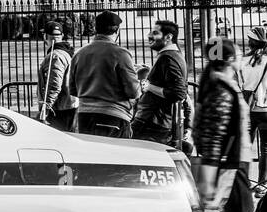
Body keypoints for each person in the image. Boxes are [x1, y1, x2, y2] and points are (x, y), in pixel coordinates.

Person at [191, 39, 266, 212]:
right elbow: (213, 135)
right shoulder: (221, 87)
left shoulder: (215, 82)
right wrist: (217, 175)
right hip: (231, 169)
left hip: (230, 167)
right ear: (229, 58)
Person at [67, 10, 141, 138]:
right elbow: (133, 92)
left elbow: (73, 90)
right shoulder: (121, 53)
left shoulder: (79, 53)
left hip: (84, 116)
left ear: (96, 29)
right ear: (117, 30)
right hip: (114, 115)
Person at [132, 20, 188, 146]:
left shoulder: (168, 58)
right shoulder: (172, 56)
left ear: (168, 37)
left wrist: (148, 86)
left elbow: (178, 93)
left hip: (152, 123)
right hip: (154, 122)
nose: (149, 36)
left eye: (155, 33)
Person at [240, 26, 267, 194]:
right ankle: (262, 185)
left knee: (245, 147)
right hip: (265, 110)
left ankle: (244, 183)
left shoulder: (243, 61)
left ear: (250, 42)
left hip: (248, 109)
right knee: (265, 148)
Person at [36, 22, 78, 132]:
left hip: (59, 109)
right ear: (62, 36)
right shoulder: (66, 52)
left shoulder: (55, 56)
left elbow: (54, 85)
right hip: (67, 106)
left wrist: (45, 108)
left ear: (45, 37)